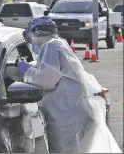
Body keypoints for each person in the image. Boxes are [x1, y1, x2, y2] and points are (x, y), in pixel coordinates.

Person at [18, 16, 119, 152]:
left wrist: (27, 70)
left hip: (69, 119)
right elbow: (52, 70)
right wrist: (32, 67)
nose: (31, 42)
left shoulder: (51, 46)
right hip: (74, 115)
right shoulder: (58, 44)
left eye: (30, 37)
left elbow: (46, 80)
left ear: (37, 33)